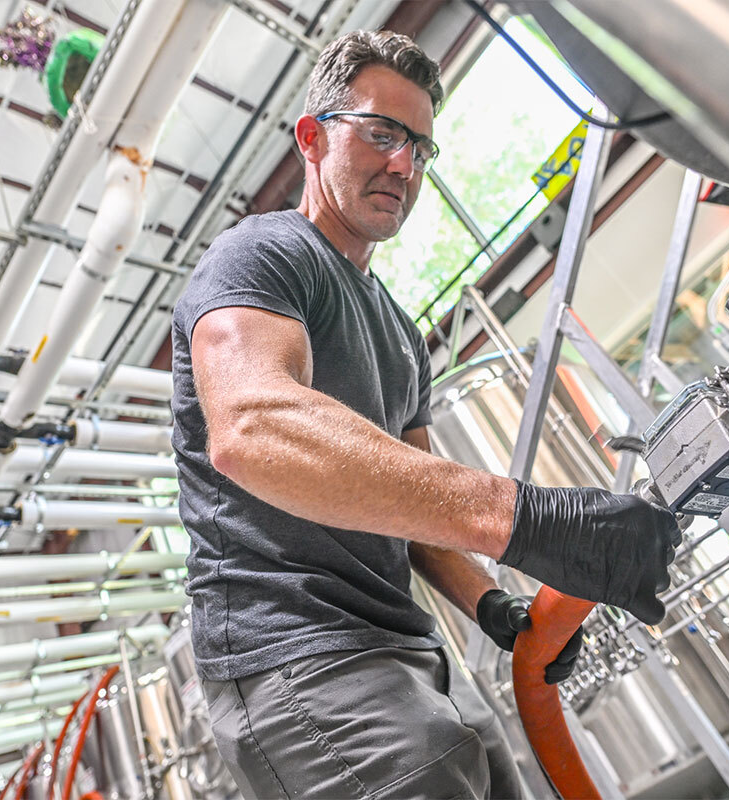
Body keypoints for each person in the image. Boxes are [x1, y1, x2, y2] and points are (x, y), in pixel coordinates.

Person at [169, 29, 680, 799]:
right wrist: (525, 521)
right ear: (312, 138)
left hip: (409, 651)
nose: (404, 165)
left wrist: (494, 607)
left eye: (421, 148)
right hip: (301, 654)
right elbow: (253, 429)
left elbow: (414, 510)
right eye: (381, 134)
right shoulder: (262, 257)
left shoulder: (404, 337)